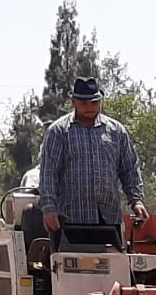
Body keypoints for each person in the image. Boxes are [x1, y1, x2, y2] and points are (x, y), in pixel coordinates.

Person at [38, 77, 147, 238]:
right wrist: (48, 208)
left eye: (94, 102)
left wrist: (136, 201)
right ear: (73, 102)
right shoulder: (59, 132)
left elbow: (129, 169)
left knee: (111, 262)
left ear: (101, 101)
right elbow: (49, 173)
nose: (90, 107)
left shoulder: (116, 131)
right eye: (83, 103)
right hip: (70, 220)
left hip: (108, 219)